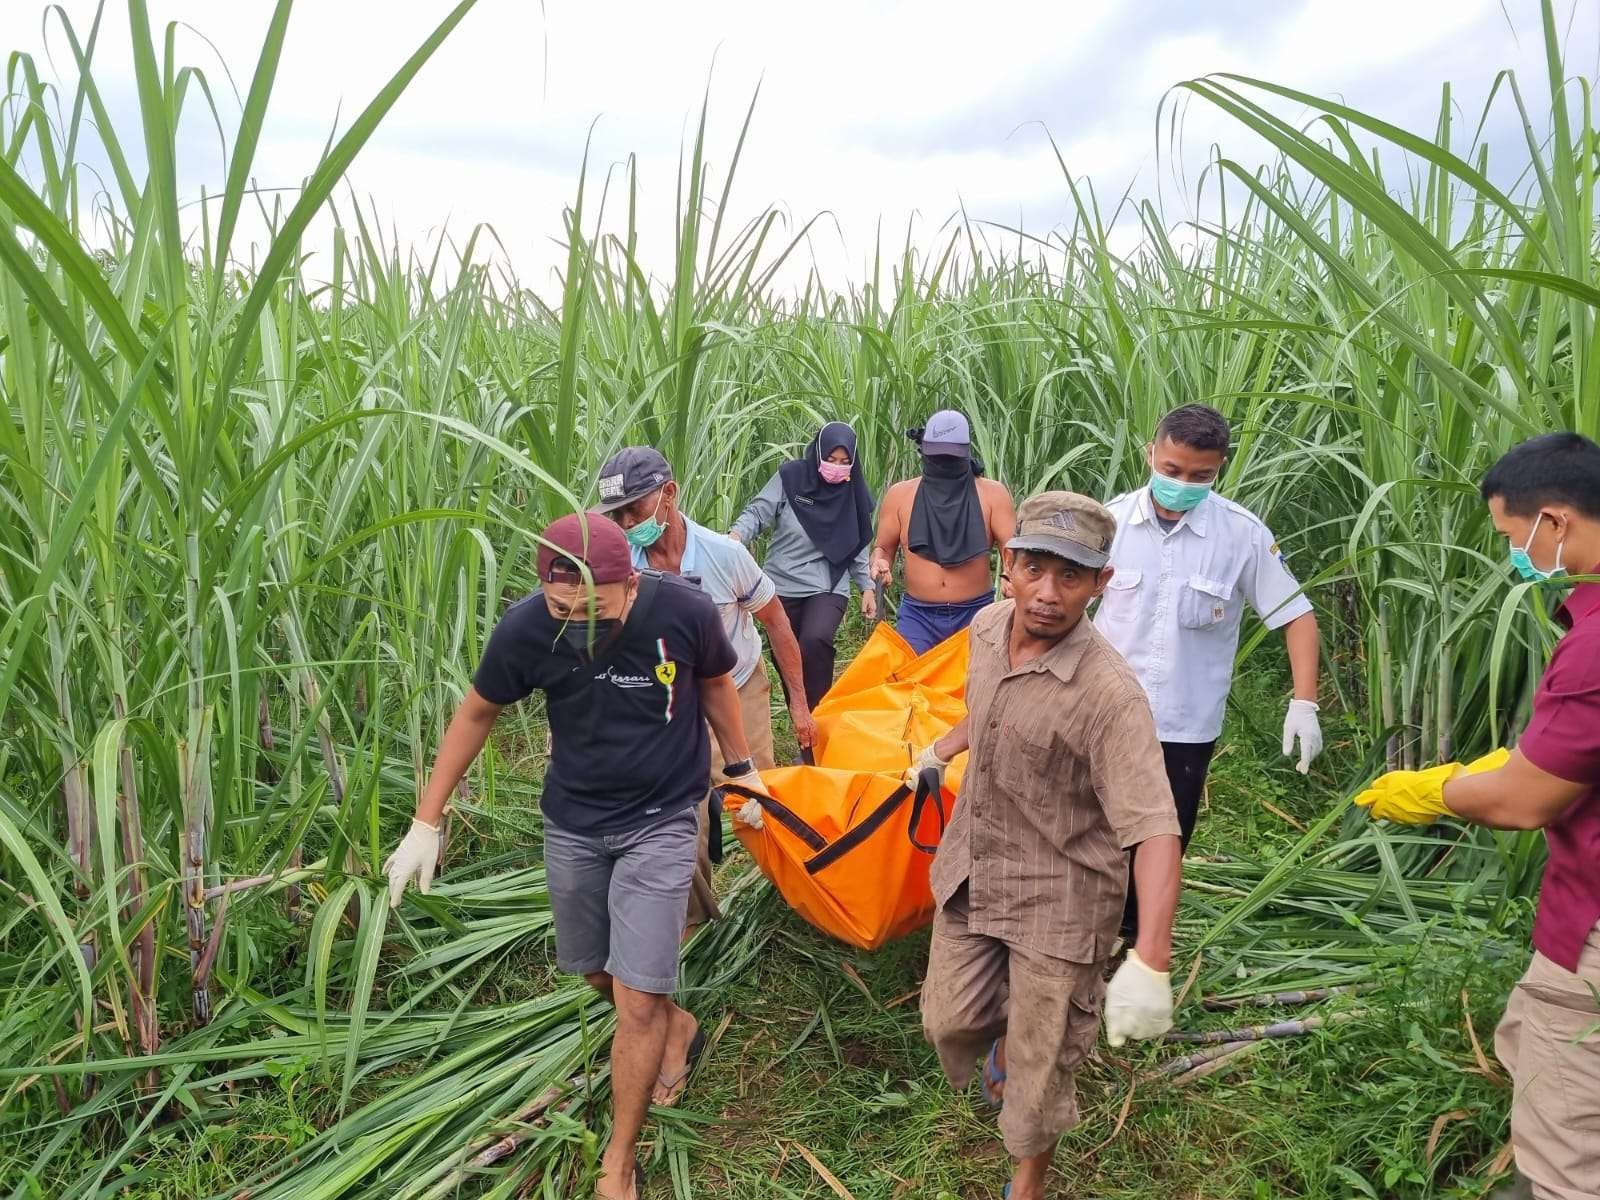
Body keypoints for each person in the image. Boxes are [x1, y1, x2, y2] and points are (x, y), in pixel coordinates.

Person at [383, 512, 767, 1200]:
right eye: (564, 611)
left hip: (662, 817)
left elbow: (714, 683)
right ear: (544, 590)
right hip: (575, 822)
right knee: (593, 971)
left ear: (628, 584)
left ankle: (618, 1160)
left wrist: (740, 767)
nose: (578, 628)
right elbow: (476, 713)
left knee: (636, 1001)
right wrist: (425, 821)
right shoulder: (527, 628)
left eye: (595, 612)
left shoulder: (680, 609)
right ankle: (678, 1025)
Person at [910, 491, 1185, 1200]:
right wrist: (941, 748)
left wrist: (1151, 959)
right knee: (949, 1019)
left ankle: (1028, 1179)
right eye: (1035, 567)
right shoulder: (986, 625)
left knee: (1036, 1075)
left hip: (1062, 897)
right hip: (978, 864)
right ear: (1009, 566)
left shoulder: (1109, 696)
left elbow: (1154, 827)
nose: (1048, 593)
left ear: (1102, 583)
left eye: (1072, 576)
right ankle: (1004, 1039)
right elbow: (990, 706)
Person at [1354, 432, 1600, 1200]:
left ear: (1554, 522)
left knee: (1565, 1141)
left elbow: (1526, 801)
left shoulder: (1594, 643)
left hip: (1591, 925)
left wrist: (1437, 791)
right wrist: (1515, 761)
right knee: (1527, 1037)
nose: (1514, 553)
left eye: (1510, 535)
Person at [1094, 403, 1322, 937]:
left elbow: (1297, 614)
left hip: (1184, 725)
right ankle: (1080, 934)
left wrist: (1304, 702)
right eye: (1171, 471)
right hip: (1103, 715)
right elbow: (1060, 608)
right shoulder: (1108, 524)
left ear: (1220, 468)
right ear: (1150, 454)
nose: (1182, 485)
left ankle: (1134, 948)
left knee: (1164, 841)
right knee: (1089, 834)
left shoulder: (1240, 535)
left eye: (1201, 476)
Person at [596, 446, 815, 929]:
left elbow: (777, 624)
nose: (627, 522)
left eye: (634, 508)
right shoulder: (621, 569)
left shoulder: (725, 554)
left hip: (737, 687)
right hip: (670, 704)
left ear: (669, 495)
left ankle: (796, 897)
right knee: (677, 822)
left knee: (759, 802)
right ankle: (694, 927)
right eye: (617, 514)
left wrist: (799, 706)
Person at [730, 421, 878, 711]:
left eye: (844, 462)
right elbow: (758, 512)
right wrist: (735, 538)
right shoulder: (791, 478)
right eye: (831, 459)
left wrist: (866, 587)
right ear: (818, 454)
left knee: (815, 640)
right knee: (786, 653)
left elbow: (856, 542)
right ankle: (801, 715)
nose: (837, 467)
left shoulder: (851, 492)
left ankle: (819, 714)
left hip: (827, 583)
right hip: (781, 582)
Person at [870, 409, 1017, 655]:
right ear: (923, 451)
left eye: (951, 458)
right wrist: (879, 563)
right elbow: (883, 548)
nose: (944, 464)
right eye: (938, 457)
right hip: (918, 616)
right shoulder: (900, 495)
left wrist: (1011, 576)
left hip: (976, 613)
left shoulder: (992, 494)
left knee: (974, 687)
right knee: (911, 685)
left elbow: (1011, 549)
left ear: (966, 453)